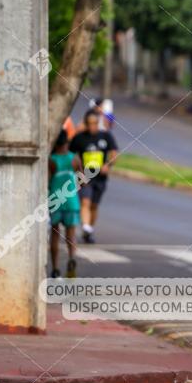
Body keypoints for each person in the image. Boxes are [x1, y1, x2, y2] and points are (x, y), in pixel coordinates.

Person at [70, 109, 118, 244]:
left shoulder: (106, 136)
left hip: (100, 178)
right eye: (90, 123)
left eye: (95, 123)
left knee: (94, 206)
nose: (92, 126)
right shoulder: (79, 138)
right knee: (85, 202)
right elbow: (72, 156)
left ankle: (88, 230)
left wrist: (108, 165)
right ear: (86, 123)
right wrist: (78, 172)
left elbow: (114, 153)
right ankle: (85, 226)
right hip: (85, 176)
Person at [48, 130, 82, 278]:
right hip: (71, 201)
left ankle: (55, 268)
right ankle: (72, 257)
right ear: (66, 143)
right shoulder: (74, 159)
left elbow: (47, 181)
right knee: (71, 234)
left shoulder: (51, 160)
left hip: (56, 201)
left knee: (55, 234)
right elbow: (82, 179)